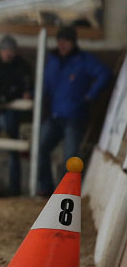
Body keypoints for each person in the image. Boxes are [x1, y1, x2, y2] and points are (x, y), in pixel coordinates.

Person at [37, 25, 111, 195]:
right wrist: (34, 95)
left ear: (73, 43)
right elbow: (45, 85)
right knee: (40, 147)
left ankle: (64, 193)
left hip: (74, 116)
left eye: (66, 41)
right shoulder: (53, 61)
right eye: (60, 41)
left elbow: (104, 73)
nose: (62, 45)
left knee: (70, 157)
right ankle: (45, 187)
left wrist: (91, 94)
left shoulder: (83, 60)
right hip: (55, 115)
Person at [0, 35, 33, 196]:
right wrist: (0, 99)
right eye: (5, 50)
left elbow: (27, 88)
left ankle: (14, 189)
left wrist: (3, 99)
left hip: (13, 115)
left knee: (12, 144)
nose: (7, 53)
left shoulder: (22, 67)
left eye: (10, 50)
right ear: (0, 51)